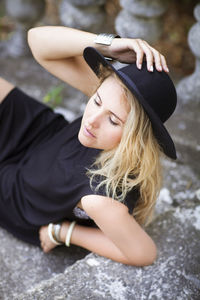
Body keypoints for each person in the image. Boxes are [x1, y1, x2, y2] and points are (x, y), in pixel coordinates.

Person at [0, 26, 177, 266]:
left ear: (134, 138)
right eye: (96, 100)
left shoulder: (100, 196)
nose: (91, 120)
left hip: (16, 193)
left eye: (113, 120)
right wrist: (108, 45)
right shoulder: (115, 99)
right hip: (40, 135)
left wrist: (64, 232)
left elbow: (143, 253)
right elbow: (37, 42)